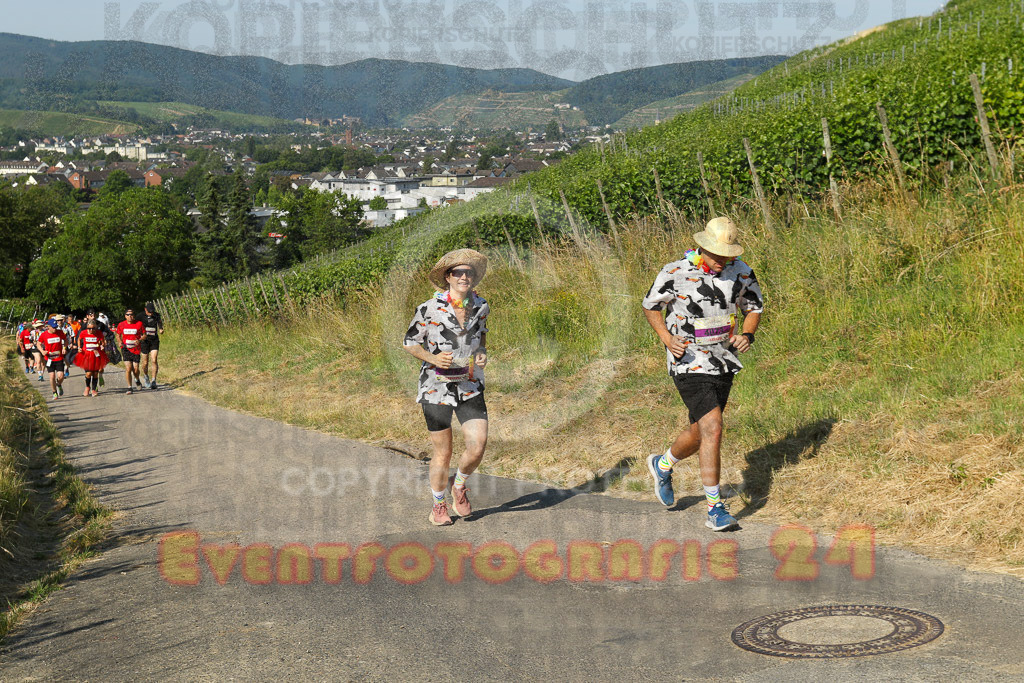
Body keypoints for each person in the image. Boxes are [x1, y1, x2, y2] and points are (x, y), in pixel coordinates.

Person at [641, 217, 763, 532]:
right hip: (688, 359)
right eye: (717, 255)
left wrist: (746, 335)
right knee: (714, 426)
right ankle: (715, 508)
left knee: (700, 432)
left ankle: (663, 464)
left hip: (723, 358)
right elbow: (651, 306)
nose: (723, 261)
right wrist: (667, 339)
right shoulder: (675, 272)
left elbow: (753, 308)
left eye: (728, 255)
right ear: (703, 248)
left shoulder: (742, 271)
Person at [403, 249, 490, 526]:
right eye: (458, 273)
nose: (464, 277)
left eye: (469, 273)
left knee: (477, 447)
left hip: (469, 385)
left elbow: (482, 337)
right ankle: (438, 506)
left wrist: (482, 353)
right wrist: (433, 357)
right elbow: (410, 342)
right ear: (448, 277)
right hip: (435, 388)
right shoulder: (428, 308)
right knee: (444, 452)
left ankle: (458, 485)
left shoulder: (482, 305)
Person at [74, 317, 109, 397]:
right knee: (89, 373)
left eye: (93, 328)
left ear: (95, 327)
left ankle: (93, 389)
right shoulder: (83, 333)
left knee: (95, 373)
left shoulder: (99, 333)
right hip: (86, 354)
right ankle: (87, 387)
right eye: (89, 328)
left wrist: (102, 346)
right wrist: (79, 347)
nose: (91, 330)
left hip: (96, 354)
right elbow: (78, 339)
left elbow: (103, 342)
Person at [35, 318, 68, 400]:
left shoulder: (60, 332)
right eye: (53, 327)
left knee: (61, 376)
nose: (55, 329)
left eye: (56, 327)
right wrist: (42, 351)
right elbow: (38, 344)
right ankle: (54, 392)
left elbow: (66, 340)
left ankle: (59, 385)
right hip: (49, 359)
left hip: (59, 357)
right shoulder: (44, 334)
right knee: (52, 376)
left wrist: (64, 347)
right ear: (48, 327)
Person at [115, 309, 146, 394]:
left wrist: (139, 340)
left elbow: (144, 335)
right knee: (128, 368)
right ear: (125, 316)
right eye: (128, 315)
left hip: (136, 349)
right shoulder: (121, 324)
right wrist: (119, 341)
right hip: (125, 348)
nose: (130, 316)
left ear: (134, 315)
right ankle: (129, 387)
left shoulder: (139, 323)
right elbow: (118, 334)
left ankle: (137, 379)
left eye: (131, 314)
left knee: (135, 369)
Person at [139, 302, 164, 390]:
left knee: (154, 359)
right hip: (144, 341)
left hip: (154, 340)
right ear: (145, 309)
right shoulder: (140, 316)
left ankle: (154, 381)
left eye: (152, 311)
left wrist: (160, 328)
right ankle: (146, 377)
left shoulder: (156, 315)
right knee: (145, 362)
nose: (151, 313)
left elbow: (160, 322)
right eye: (149, 312)